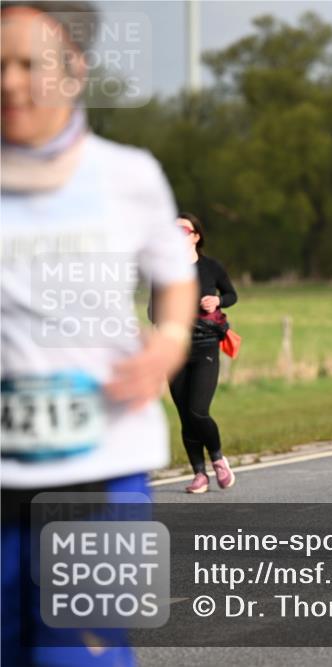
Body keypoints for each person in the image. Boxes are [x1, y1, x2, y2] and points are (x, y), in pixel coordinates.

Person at [1, 2, 197, 664]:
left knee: (75, 657)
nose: (9, 82)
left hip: (100, 468)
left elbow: (175, 276)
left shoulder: (127, 175)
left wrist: (169, 341)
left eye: (28, 64)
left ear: (73, 71)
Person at [167, 213, 238, 494]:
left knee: (197, 410)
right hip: (174, 349)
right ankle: (199, 474)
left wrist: (217, 300)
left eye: (183, 231)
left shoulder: (211, 267)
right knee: (185, 415)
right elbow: (153, 309)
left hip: (206, 345)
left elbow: (232, 295)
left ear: (196, 236)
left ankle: (218, 459)